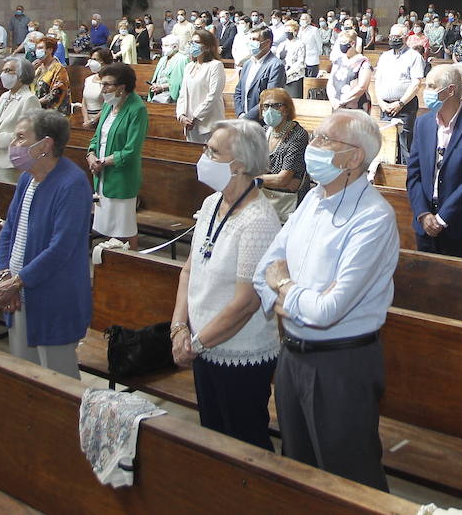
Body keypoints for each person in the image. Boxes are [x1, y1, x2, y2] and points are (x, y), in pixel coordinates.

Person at [254, 110, 399, 490]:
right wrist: (292, 297)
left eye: (323, 140)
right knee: (299, 470)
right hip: (292, 357)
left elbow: (327, 311)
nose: (312, 146)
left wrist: (284, 288)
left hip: (341, 365)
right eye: (315, 137)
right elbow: (263, 269)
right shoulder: (312, 200)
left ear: (353, 158)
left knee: (350, 478)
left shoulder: (373, 218)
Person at [170, 119, 283, 447]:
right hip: (202, 343)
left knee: (243, 440)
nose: (204, 157)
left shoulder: (259, 220)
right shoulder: (211, 204)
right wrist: (179, 328)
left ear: (239, 166)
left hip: (239, 354)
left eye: (213, 152)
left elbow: (245, 303)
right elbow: (189, 271)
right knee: (213, 435)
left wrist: (197, 342)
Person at [0, 110, 92, 379]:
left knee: (57, 377)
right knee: (25, 374)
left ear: (45, 145)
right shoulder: (26, 177)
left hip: (53, 296)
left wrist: (17, 282)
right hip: (18, 292)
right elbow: (9, 228)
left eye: (21, 138)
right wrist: (4, 274)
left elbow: (61, 248)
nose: (14, 145)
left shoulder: (72, 183)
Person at [406, 65, 462, 259]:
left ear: (451, 90)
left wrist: (442, 218)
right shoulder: (423, 123)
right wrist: (422, 213)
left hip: (461, 224)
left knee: (459, 287)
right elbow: (414, 174)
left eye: (431, 86)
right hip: (425, 224)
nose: (425, 92)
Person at [88, 63, 149, 249]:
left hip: (122, 176)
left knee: (124, 228)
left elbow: (132, 150)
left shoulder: (137, 109)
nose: (103, 89)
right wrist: (91, 154)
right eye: (102, 84)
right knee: (107, 228)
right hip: (101, 175)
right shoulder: (108, 105)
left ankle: (130, 264)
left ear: (121, 87)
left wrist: (103, 161)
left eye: (107, 85)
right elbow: (98, 136)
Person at [259, 87, 311, 221]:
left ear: (287, 109)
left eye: (277, 106)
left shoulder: (298, 135)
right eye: (266, 106)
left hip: (287, 206)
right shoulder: (263, 131)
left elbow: (283, 180)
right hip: (263, 200)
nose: (271, 110)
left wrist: (252, 179)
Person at [373, 24, 424, 161]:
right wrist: (381, 103)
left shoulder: (414, 56)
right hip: (385, 106)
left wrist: (400, 103)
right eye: (391, 36)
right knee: (385, 143)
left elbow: (416, 83)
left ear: (406, 37)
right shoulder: (385, 56)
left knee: (405, 145)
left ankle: (406, 177)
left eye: (397, 37)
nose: (393, 39)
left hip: (405, 106)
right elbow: (377, 81)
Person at [0, 56, 40, 184]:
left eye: (8, 71)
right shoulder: (5, 96)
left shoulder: (29, 99)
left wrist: (0, 138)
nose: (3, 74)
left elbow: (32, 135)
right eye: (3, 70)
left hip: (14, 161)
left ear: (21, 76)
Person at [176, 28, 227, 144]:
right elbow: (182, 94)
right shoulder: (189, 66)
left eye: (197, 42)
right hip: (189, 124)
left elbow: (213, 96)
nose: (193, 45)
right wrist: (181, 115)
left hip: (208, 124)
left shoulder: (215, 65)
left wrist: (195, 117)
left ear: (207, 46)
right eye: (192, 42)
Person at [235, 27, 286, 122]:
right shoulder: (247, 64)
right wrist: (240, 113)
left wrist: (247, 118)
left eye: (254, 40)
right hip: (244, 119)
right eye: (250, 39)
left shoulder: (275, 65)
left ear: (267, 43)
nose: (250, 43)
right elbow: (239, 91)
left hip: (262, 122)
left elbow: (269, 98)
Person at [28, 35, 69, 115]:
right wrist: (31, 70)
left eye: (40, 48)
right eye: (36, 48)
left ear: (50, 50)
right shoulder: (38, 67)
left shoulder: (58, 68)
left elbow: (56, 94)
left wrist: (35, 103)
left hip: (52, 114)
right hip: (36, 111)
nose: (37, 51)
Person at [146, 34, 186, 104]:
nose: (163, 48)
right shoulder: (163, 59)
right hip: (158, 94)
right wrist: (155, 85)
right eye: (163, 45)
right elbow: (157, 77)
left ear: (175, 46)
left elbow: (180, 82)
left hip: (171, 96)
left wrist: (162, 87)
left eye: (166, 45)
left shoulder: (182, 59)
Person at [78, 48, 112, 129]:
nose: (92, 62)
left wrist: (94, 120)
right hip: (88, 121)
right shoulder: (88, 79)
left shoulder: (111, 81)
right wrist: (86, 120)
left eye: (95, 59)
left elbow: (109, 104)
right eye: (91, 59)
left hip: (103, 120)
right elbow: (84, 102)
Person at [276, 20, 307, 99]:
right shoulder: (282, 45)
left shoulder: (300, 44)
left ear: (295, 31)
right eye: (286, 30)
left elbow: (300, 62)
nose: (287, 32)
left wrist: (288, 72)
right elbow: (277, 59)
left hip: (294, 78)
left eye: (290, 30)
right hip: (281, 78)